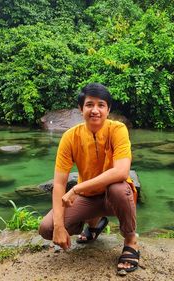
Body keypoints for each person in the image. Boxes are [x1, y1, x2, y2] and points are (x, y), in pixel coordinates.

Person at [38, 83, 140, 274]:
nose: (95, 110)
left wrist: (76, 189)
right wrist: (59, 226)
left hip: (115, 196)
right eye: (89, 104)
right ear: (80, 108)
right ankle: (94, 224)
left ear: (108, 109)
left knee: (117, 188)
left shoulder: (117, 130)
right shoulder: (70, 137)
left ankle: (131, 241)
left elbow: (121, 172)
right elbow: (59, 183)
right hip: (88, 197)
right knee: (47, 228)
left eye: (101, 105)